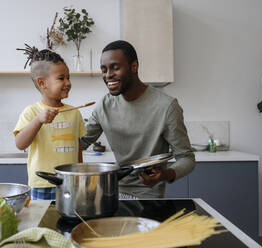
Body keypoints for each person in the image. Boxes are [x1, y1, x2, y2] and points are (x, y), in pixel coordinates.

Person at [81, 40, 195, 198]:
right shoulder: (104, 105)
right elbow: (80, 143)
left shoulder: (167, 106)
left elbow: (187, 158)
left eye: (115, 67)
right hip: (113, 193)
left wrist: (164, 174)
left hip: (148, 196)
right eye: (104, 69)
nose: (108, 75)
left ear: (134, 66)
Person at [14, 46, 86, 200]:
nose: (67, 82)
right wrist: (39, 120)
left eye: (68, 77)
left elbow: (78, 147)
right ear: (42, 83)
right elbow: (20, 144)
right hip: (42, 184)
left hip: (71, 182)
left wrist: (80, 174)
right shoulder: (32, 112)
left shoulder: (74, 112)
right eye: (61, 78)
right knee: (43, 222)